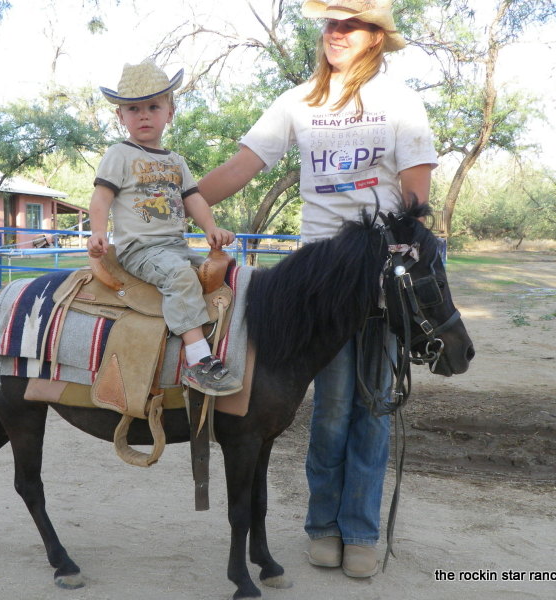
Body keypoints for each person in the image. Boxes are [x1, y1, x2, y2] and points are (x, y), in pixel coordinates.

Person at [198, 0, 437, 578]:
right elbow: (243, 165)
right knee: (329, 408)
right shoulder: (298, 101)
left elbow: (415, 193)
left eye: (348, 24)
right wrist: (182, 198)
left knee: (374, 405)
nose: (334, 33)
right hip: (317, 280)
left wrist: (402, 254)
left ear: (375, 38)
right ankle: (322, 526)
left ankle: (359, 531)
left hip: (375, 272)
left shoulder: (399, 102)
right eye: (330, 23)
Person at [88, 59, 242, 396]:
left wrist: (211, 229)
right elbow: (101, 199)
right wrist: (98, 232)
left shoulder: (176, 161)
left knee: (229, 274)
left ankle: (235, 346)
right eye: (133, 108)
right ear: (120, 117)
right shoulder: (119, 154)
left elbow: (195, 199)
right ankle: (198, 360)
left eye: (153, 106)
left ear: (169, 113)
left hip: (175, 245)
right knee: (180, 277)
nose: (144, 115)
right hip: (140, 248)